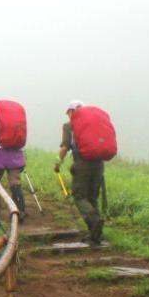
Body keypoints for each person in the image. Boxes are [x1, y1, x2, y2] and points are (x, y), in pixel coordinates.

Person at [54, 100, 117, 245]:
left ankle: (94, 221)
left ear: (71, 111)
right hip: (99, 164)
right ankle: (95, 235)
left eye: (68, 112)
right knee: (92, 198)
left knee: (79, 196)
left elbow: (65, 147)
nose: (68, 115)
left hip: (82, 164)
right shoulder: (94, 124)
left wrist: (57, 162)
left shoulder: (69, 126)